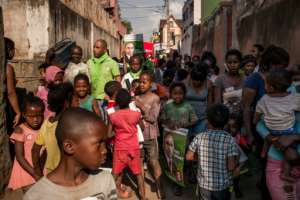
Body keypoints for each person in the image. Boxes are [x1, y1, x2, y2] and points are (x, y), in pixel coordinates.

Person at [24, 108, 117, 200]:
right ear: (69, 147)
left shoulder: (104, 180)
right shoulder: (37, 195)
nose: (105, 150)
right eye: (99, 143)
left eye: (105, 143)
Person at [242, 45, 290, 200]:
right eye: (281, 66)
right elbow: (247, 108)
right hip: (261, 131)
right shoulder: (255, 79)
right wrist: (249, 133)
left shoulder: (281, 79)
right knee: (265, 168)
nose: (283, 69)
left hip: (281, 131)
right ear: (271, 64)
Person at [254, 69, 300, 182]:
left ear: (271, 88)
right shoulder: (294, 97)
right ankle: (285, 173)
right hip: (288, 131)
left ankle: (264, 150)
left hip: (272, 131)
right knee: (291, 156)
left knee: (269, 133)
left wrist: (264, 117)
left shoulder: (263, 99)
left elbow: (256, 119)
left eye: (265, 83)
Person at [186, 104, 238, 200]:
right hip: (222, 186)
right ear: (226, 122)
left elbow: (189, 156)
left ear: (208, 121)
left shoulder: (199, 137)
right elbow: (231, 166)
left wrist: (200, 157)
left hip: (204, 185)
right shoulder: (230, 139)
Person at [108, 89, 145, 200]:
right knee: (138, 173)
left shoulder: (113, 116)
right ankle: (143, 196)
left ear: (117, 102)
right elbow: (142, 128)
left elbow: (109, 134)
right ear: (130, 101)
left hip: (120, 147)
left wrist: (119, 131)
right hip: (134, 147)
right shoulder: (136, 114)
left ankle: (105, 194)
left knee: (115, 173)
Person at [134, 71, 165, 199]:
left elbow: (153, 118)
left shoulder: (155, 98)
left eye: (144, 82)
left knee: (153, 162)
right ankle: (142, 191)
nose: (141, 84)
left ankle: (159, 188)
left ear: (150, 83)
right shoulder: (136, 97)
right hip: (137, 136)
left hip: (150, 136)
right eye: (140, 82)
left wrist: (140, 105)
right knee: (139, 162)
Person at [32, 83, 73, 175]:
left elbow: (35, 150)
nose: (78, 101)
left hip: (51, 173)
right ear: (67, 103)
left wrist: (38, 173)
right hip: (69, 174)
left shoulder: (47, 123)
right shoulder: (71, 124)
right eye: (76, 99)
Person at [8, 95, 44, 191]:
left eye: (39, 115)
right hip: (26, 169)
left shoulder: (44, 128)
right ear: (24, 115)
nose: (36, 119)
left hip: (41, 168)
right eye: (31, 116)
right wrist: (34, 173)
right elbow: (19, 156)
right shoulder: (20, 130)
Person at [214, 49, 245, 115]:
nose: (232, 65)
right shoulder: (220, 79)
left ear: (240, 63)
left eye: (235, 62)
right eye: (229, 62)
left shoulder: (245, 79)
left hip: (241, 117)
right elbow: (218, 101)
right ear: (226, 63)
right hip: (225, 117)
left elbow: (247, 103)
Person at [185, 64, 213, 136]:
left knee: (199, 142)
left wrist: (209, 119)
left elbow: (210, 103)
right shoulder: (186, 82)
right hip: (186, 118)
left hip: (202, 119)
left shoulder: (208, 84)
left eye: (200, 80)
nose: (197, 82)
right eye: (195, 79)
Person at [5, 37, 21, 129]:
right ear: (8, 50)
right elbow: (10, 93)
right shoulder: (8, 68)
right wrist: (18, 112)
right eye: (13, 49)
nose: (14, 51)